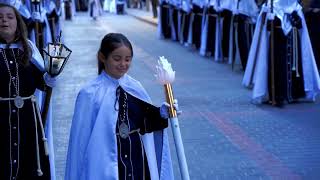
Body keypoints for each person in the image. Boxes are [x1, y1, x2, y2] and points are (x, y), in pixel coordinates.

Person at [65, 33, 176, 180]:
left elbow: (144, 121)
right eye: (117, 59)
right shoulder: (89, 93)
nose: (123, 64)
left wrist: (161, 113)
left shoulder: (135, 87)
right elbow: (80, 142)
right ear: (102, 57)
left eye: (128, 59)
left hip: (136, 157)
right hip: (106, 161)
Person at [0, 2, 56, 179]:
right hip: (1, 119)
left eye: (10, 17)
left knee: (29, 164)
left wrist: (52, 74)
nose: (4, 21)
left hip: (28, 120)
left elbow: (43, 84)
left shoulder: (29, 49)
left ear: (18, 23)